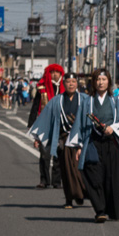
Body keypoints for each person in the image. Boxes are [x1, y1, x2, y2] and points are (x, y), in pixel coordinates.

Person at [67, 69, 119, 223]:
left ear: (109, 82)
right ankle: (100, 210)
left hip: (111, 144)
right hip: (92, 143)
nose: (101, 82)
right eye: (98, 79)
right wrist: (78, 146)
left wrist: (114, 128)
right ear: (93, 82)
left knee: (111, 178)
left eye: (104, 79)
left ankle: (112, 210)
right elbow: (79, 125)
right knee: (94, 176)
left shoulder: (116, 101)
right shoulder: (87, 102)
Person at [29, 72, 87, 209]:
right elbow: (46, 118)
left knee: (80, 169)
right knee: (66, 171)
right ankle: (69, 199)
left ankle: (79, 193)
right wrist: (38, 138)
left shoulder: (85, 99)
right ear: (64, 84)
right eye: (68, 82)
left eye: (73, 82)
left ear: (77, 83)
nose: (71, 84)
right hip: (64, 141)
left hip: (80, 140)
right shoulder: (56, 101)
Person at [29, 63, 66, 189]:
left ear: (61, 74)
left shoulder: (66, 88)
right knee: (44, 154)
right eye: (52, 72)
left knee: (59, 154)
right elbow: (36, 106)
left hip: (61, 124)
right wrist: (32, 123)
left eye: (57, 72)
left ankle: (57, 181)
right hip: (45, 123)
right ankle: (44, 180)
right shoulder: (42, 88)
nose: (55, 74)